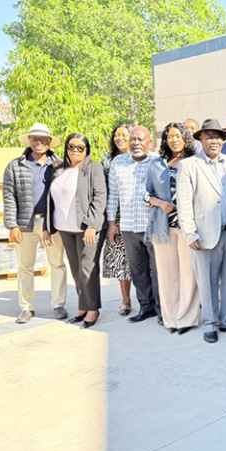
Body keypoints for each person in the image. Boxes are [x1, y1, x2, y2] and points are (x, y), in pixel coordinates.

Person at [177, 119, 226, 343]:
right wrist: (190, 232)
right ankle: (210, 324)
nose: (214, 141)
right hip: (203, 234)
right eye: (209, 137)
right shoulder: (189, 165)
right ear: (200, 139)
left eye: (217, 137)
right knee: (207, 282)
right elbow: (184, 203)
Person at [2, 123, 68, 324]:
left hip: (52, 224)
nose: (39, 142)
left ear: (49, 142)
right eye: (35, 138)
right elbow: (9, 196)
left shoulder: (60, 165)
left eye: (43, 139)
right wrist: (12, 225)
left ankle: (58, 305)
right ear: (29, 140)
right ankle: (26, 307)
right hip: (25, 225)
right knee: (25, 267)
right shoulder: (15, 166)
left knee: (57, 265)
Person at [40, 133, 107, 328]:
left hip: (86, 228)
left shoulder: (94, 168)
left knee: (87, 269)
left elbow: (100, 197)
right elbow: (48, 200)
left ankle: (92, 308)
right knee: (76, 269)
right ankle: (83, 305)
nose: (75, 150)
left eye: (80, 147)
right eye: (71, 146)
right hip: (64, 228)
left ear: (86, 150)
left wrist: (92, 225)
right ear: (66, 148)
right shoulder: (59, 169)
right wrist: (46, 227)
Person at [145, 122, 203, 333]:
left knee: (188, 275)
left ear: (185, 138)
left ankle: (186, 319)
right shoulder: (156, 164)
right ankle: (171, 319)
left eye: (178, 135)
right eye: (169, 136)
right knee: (167, 275)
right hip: (163, 228)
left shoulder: (195, 162)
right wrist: (160, 203)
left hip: (187, 227)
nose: (173, 140)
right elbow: (146, 194)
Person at [108, 125, 163, 325]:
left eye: (141, 139)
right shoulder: (118, 162)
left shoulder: (158, 161)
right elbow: (113, 195)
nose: (136, 143)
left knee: (158, 271)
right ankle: (145, 308)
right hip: (128, 226)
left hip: (152, 227)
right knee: (137, 270)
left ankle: (162, 310)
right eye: (133, 139)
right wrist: (111, 222)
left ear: (150, 141)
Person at [100, 123, 137, 316]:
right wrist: (111, 222)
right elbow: (104, 191)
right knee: (121, 260)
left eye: (124, 135)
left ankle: (148, 299)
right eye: (116, 135)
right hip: (116, 214)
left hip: (138, 213)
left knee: (142, 259)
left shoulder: (141, 157)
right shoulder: (107, 160)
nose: (119, 138)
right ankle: (126, 300)